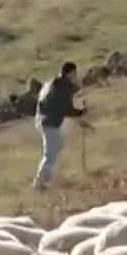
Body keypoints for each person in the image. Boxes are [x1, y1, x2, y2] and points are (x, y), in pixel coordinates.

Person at [32, 61, 85, 190]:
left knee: (56, 146)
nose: (75, 76)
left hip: (44, 119)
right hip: (49, 122)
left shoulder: (54, 83)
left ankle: (43, 180)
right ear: (71, 73)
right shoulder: (62, 87)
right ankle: (40, 184)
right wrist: (81, 112)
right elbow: (66, 109)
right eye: (74, 73)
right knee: (50, 153)